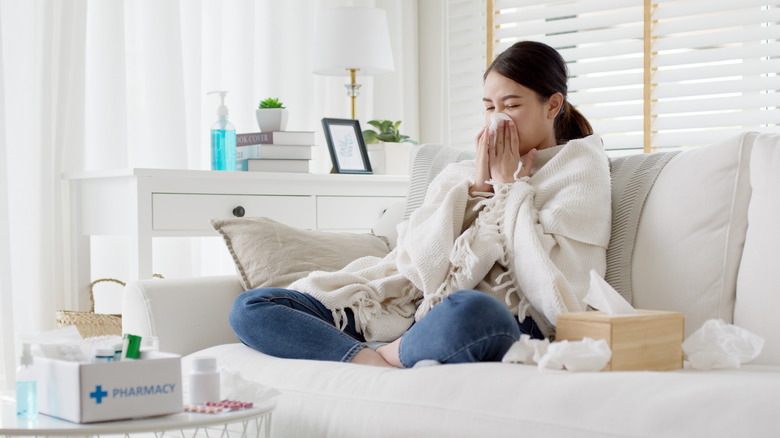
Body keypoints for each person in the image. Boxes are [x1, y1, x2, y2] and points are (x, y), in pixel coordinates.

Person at [229, 41, 611, 368]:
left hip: (501, 320)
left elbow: (554, 293)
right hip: (411, 314)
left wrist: (510, 188)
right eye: (489, 107)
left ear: (552, 105)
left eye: (510, 105)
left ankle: (398, 352)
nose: (497, 120)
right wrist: (478, 188)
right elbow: (418, 267)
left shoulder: (578, 168)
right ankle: (368, 360)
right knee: (251, 307)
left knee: (476, 312)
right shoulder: (459, 173)